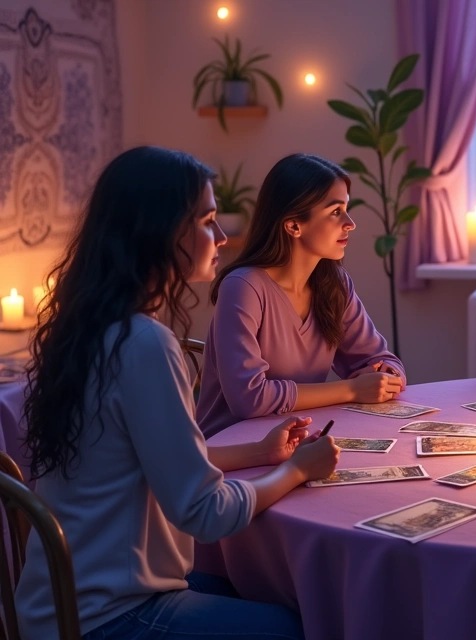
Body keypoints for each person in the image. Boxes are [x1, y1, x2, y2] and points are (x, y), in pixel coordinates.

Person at [18, 146, 340, 640]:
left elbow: (139, 461)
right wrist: (298, 470)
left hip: (60, 601)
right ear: (163, 231)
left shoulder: (89, 329)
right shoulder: (144, 344)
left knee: (264, 589)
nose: (222, 236)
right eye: (208, 220)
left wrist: (258, 451)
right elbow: (206, 514)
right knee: (302, 625)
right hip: (109, 616)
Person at [198, 154, 404, 437]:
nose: (350, 223)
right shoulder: (243, 287)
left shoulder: (336, 284)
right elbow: (249, 400)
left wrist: (386, 377)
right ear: (293, 225)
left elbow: (382, 359)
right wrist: (353, 388)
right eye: (335, 212)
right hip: (232, 450)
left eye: (346, 209)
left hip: (299, 441)